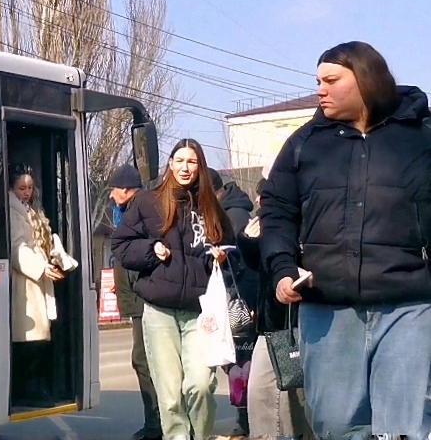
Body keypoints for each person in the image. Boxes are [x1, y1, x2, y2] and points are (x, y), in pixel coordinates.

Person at [260, 41, 431, 438]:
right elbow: (277, 211)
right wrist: (283, 270)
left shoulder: (422, 138)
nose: (320, 89)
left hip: (408, 306)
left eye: (331, 80)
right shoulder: (305, 143)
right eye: (317, 80)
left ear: (365, 79)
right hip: (327, 310)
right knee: (335, 425)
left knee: (404, 426)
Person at [111, 139, 234, 440]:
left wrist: (223, 253)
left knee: (201, 386)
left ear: (199, 167)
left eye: (191, 162)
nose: (185, 167)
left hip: (200, 310)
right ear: (170, 164)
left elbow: (230, 245)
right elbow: (121, 246)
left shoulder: (209, 206)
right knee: (169, 398)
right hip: (159, 311)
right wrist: (152, 249)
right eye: (179, 160)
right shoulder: (148, 201)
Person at [238, 179, 311, 439]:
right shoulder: (266, 224)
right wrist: (248, 241)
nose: (260, 202)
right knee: (261, 395)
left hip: (314, 321)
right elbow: (257, 266)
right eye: (260, 196)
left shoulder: (312, 217)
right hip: (274, 326)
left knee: (304, 405)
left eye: (267, 196)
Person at [8, 164, 77, 405]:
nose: (26, 192)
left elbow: (44, 240)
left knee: (38, 338)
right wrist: (40, 267)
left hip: (36, 279)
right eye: (21, 188)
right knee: (29, 338)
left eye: (29, 188)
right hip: (24, 283)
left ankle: (33, 388)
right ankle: (27, 389)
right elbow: (16, 247)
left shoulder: (32, 210)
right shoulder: (13, 211)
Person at [104, 164, 162, 440]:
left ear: (126, 190)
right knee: (144, 360)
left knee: (144, 360)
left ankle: (157, 425)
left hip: (143, 296)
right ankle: (156, 423)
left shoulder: (142, 209)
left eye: (114, 190)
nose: (112, 196)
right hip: (136, 293)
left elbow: (146, 252)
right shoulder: (128, 210)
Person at [207, 169, 257, 439]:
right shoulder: (225, 211)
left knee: (241, 360)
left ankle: (246, 418)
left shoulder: (234, 216)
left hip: (241, 299)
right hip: (231, 296)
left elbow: (241, 262)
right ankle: (244, 416)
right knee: (237, 361)